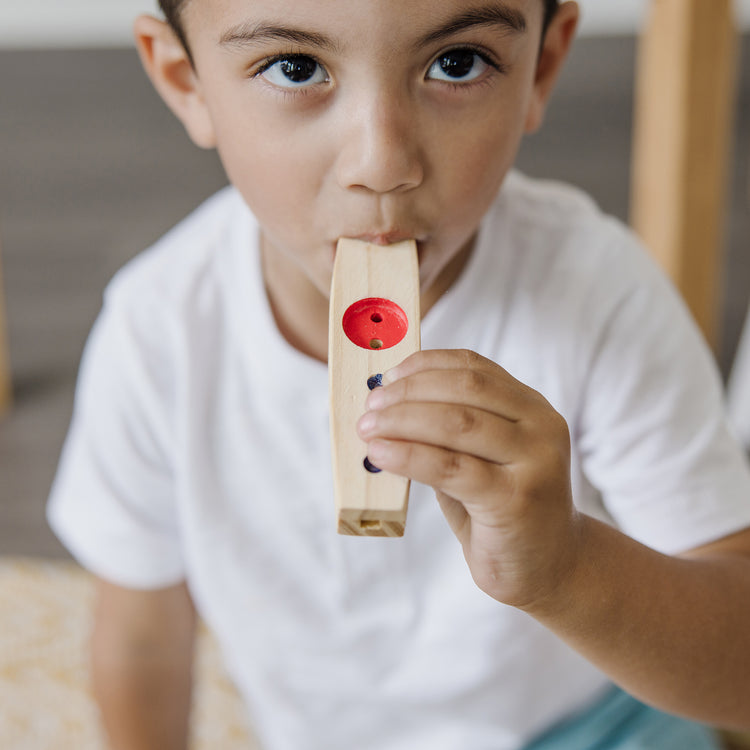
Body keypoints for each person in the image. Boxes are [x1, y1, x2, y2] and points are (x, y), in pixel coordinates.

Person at [47, 1, 750, 748]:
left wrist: (567, 570)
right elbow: (141, 639)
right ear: (185, 79)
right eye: (296, 68)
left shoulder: (598, 293)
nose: (382, 162)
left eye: (457, 63)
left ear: (542, 64)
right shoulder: (160, 329)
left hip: (593, 725)